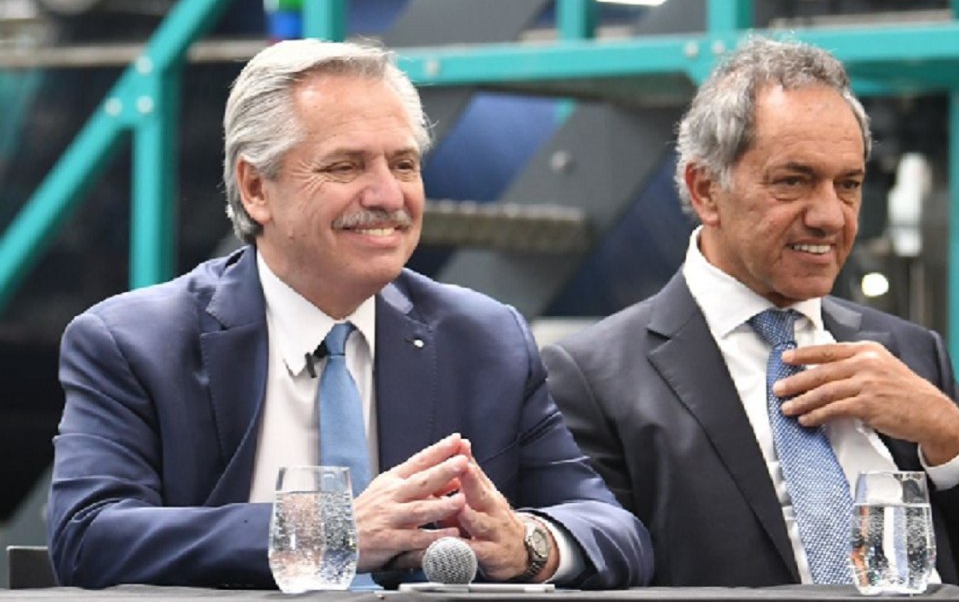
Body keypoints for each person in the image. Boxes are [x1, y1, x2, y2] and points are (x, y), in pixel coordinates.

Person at [47, 39, 653, 590]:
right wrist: (327, 532)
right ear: (256, 189)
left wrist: (526, 543)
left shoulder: (486, 339)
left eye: (404, 164)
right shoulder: (135, 341)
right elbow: (89, 535)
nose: (388, 196)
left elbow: (612, 529)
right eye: (345, 166)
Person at [542, 37, 959, 588]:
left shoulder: (911, 355)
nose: (830, 217)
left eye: (848, 185)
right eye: (793, 181)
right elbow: (602, 577)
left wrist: (948, 433)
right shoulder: (595, 381)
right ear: (705, 190)